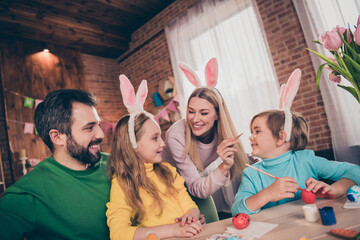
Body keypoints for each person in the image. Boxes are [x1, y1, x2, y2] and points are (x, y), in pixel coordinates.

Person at [0, 89, 110, 240]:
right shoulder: (28, 194)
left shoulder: (116, 163)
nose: (101, 134)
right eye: (89, 127)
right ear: (57, 137)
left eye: (98, 125)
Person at [106, 75, 202, 240]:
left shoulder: (167, 170)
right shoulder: (122, 182)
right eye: (155, 138)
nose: (163, 143)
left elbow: (189, 205)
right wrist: (174, 230)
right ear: (133, 145)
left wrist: (191, 216)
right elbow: (118, 234)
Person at [162, 58, 249, 220]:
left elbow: (243, 160)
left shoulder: (222, 132)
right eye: (191, 111)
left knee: (213, 224)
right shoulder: (176, 135)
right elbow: (197, 188)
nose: (195, 119)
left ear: (217, 114)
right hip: (167, 191)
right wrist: (224, 167)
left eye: (203, 113)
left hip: (195, 184)